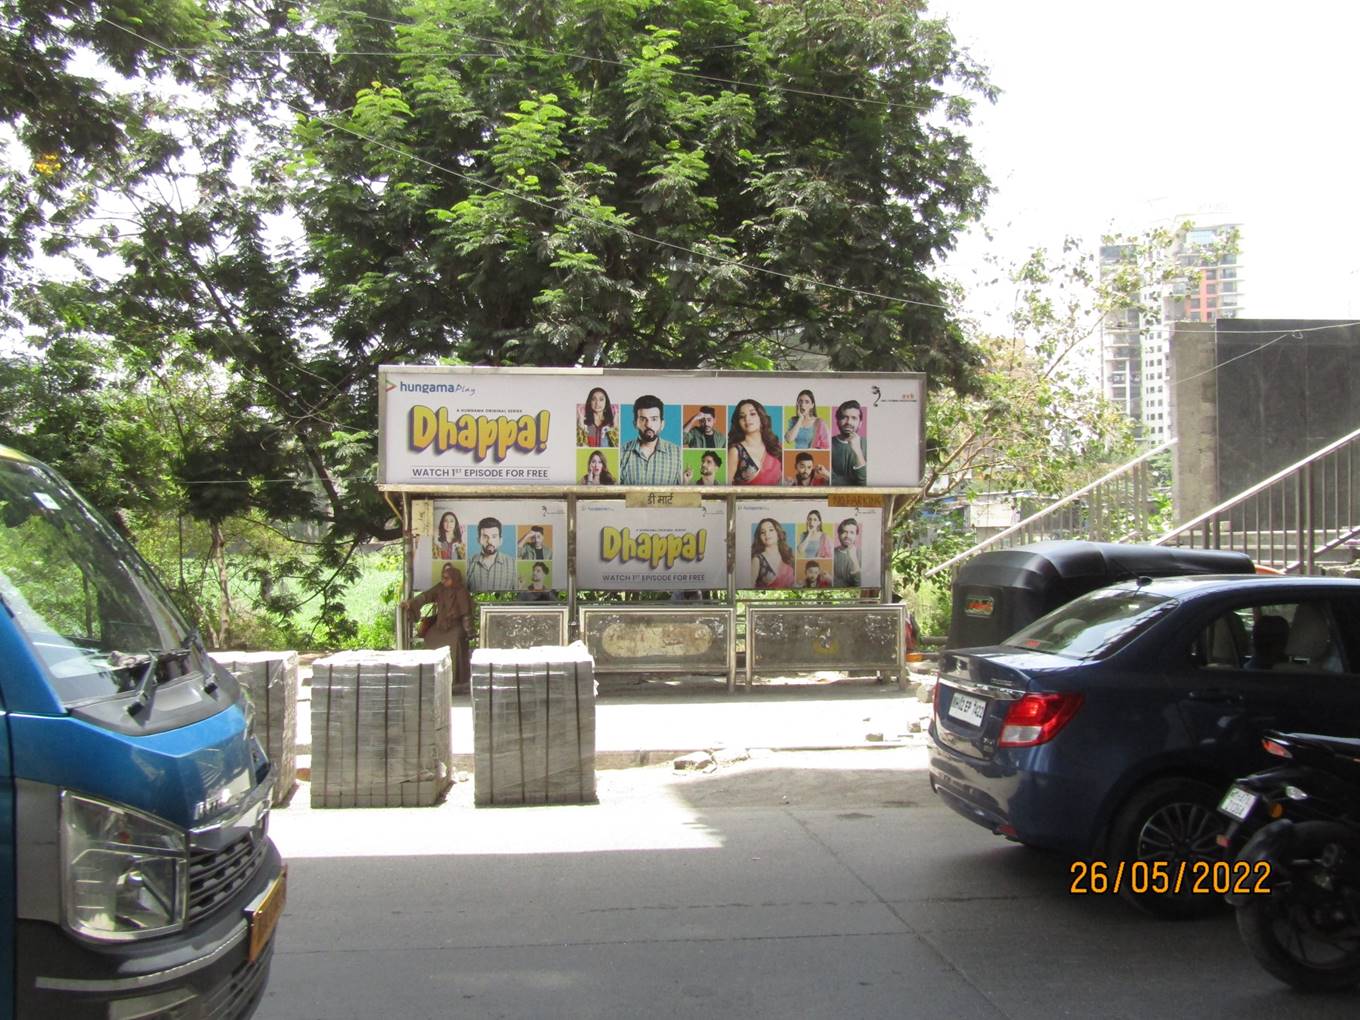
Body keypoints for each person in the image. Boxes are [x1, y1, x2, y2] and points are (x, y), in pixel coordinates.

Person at [401, 562, 472, 687]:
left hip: (455, 626)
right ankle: (431, 676)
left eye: (446, 578)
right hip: (440, 625)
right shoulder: (440, 588)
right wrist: (411, 603)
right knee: (430, 637)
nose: (443, 580)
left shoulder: (461, 591)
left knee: (455, 640)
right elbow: (425, 596)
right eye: (442, 577)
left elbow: (466, 613)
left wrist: (469, 629)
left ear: (454, 578)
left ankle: (453, 680)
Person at [618, 395, 683, 484]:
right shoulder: (621, 454)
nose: (648, 425)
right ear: (635, 424)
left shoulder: (678, 454)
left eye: (654, 419)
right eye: (643, 419)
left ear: (662, 424)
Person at [728, 398, 783, 485]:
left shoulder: (776, 446)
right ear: (738, 423)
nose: (747, 419)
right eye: (742, 416)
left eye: (752, 414)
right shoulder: (736, 451)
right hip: (745, 498)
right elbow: (724, 488)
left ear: (761, 418)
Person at [465, 517, 517, 593]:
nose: (490, 541)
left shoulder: (512, 564)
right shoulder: (468, 564)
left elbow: (516, 599)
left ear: (500, 540)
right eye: (485, 536)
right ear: (478, 540)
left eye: (494, 536)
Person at [831, 400, 868, 486]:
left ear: (860, 423)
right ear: (837, 421)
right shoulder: (828, 444)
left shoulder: (868, 444)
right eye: (844, 417)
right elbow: (830, 482)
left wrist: (858, 451)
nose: (848, 422)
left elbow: (865, 483)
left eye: (854, 418)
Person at [751, 517, 795, 589]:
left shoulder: (788, 558)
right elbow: (750, 588)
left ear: (778, 534)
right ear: (759, 537)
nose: (766, 534)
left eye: (771, 530)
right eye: (762, 532)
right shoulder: (757, 560)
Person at [833, 517, 862, 587]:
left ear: (856, 536)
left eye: (852, 532)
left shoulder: (863, 554)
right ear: (839, 534)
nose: (847, 536)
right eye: (844, 532)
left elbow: (859, 585)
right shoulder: (831, 554)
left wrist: (854, 560)